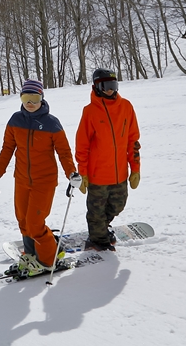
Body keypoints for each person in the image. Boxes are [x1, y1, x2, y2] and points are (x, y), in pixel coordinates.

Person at [0, 79, 81, 277]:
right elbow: (7, 148)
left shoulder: (51, 123)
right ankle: (30, 256)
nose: (30, 103)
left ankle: (48, 260)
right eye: (26, 98)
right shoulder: (15, 120)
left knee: (35, 223)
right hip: (21, 179)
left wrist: (71, 173)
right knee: (22, 220)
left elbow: (63, 151)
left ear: (42, 99)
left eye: (34, 98)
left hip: (44, 180)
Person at [75, 68, 141, 252]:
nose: (110, 90)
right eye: (105, 86)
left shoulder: (126, 107)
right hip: (97, 175)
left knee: (118, 205)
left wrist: (135, 168)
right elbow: (82, 146)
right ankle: (98, 240)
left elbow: (133, 141)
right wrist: (83, 173)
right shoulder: (89, 112)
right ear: (96, 87)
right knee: (96, 211)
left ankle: (102, 229)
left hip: (120, 172)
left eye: (113, 85)